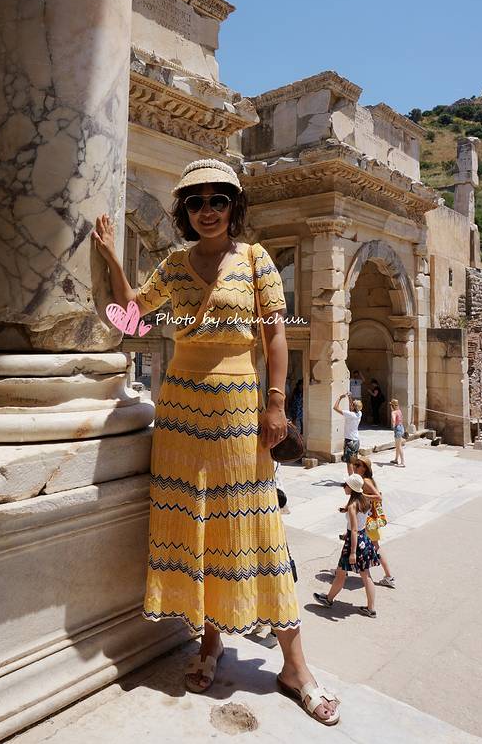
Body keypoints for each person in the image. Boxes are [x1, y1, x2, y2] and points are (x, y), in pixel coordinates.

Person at [92, 157, 340, 726]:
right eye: (197, 201)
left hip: (237, 408)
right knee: (198, 526)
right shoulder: (175, 264)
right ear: (185, 210)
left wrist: (275, 404)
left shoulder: (255, 259)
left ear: (234, 207)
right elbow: (132, 318)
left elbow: (275, 336)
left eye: (219, 200)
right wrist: (111, 261)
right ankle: (210, 642)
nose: (208, 210)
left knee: (256, 530)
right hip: (180, 411)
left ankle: (296, 668)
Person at [314, 474, 380, 618]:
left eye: (345, 485)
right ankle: (371, 608)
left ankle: (329, 599)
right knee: (365, 575)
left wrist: (353, 552)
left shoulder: (352, 506)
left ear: (351, 488)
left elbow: (354, 529)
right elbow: (360, 522)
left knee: (341, 573)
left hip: (354, 542)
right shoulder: (364, 500)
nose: (343, 486)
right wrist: (346, 512)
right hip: (364, 539)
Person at [351, 455, 396, 588]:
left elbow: (378, 497)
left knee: (372, 546)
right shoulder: (364, 480)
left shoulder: (366, 481)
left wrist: (361, 495)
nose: (354, 467)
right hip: (366, 519)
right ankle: (341, 571)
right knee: (354, 543)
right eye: (354, 464)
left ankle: (389, 576)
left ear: (364, 468)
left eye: (358, 465)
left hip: (367, 521)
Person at [334, 393, 362, 476]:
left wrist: (339, 398)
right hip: (356, 440)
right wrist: (350, 398)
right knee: (354, 461)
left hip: (350, 441)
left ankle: (351, 479)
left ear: (353, 407)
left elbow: (335, 408)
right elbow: (352, 408)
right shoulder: (359, 413)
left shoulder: (350, 414)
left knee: (349, 462)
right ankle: (356, 477)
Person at [389, 399, 406, 467]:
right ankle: (396, 459)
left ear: (392, 406)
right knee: (397, 445)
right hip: (401, 427)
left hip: (397, 428)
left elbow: (393, 420)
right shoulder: (399, 411)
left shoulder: (393, 412)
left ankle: (403, 462)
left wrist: (393, 426)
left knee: (399, 446)